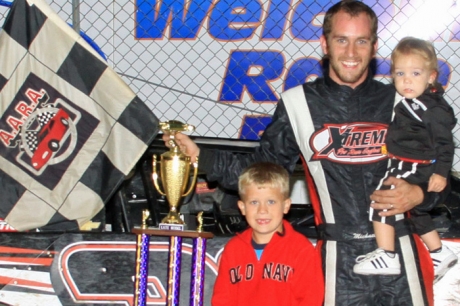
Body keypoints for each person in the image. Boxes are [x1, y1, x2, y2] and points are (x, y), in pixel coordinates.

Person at [164, 1, 444, 304]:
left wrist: (419, 196)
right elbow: (259, 174)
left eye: (360, 41)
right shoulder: (298, 104)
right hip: (339, 263)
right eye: (341, 40)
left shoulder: (403, 101)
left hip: (401, 255)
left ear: (374, 47)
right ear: (324, 44)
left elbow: (439, 174)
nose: (351, 53)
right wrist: (199, 155)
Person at [353, 37, 458, 281]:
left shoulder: (431, 108)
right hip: (403, 162)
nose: (407, 80)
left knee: (383, 201)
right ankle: (440, 252)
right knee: (413, 210)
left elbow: (445, 142)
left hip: (414, 166)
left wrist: (441, 172)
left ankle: (387, 255)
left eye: (415, 73)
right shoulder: (412, 101)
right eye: (400, 73)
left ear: (431, 76)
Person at [211, 162, 324, 305]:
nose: (262, 210)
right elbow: (222, 299)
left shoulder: (301, 250)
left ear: (286, 206)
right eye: (254, 202)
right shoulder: (233, 250)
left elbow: (311, 300)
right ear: (242, 207)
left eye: (271, 202)